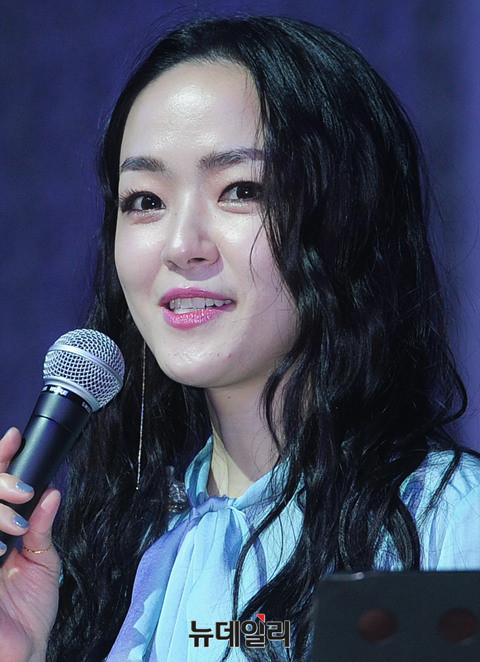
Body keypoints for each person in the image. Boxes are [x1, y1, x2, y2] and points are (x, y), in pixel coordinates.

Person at [0, 15, 479, 662]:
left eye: (241, 190)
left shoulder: (447, 525)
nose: (180, 245)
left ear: (348, 220)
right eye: (145, 200)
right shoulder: (103, 555)